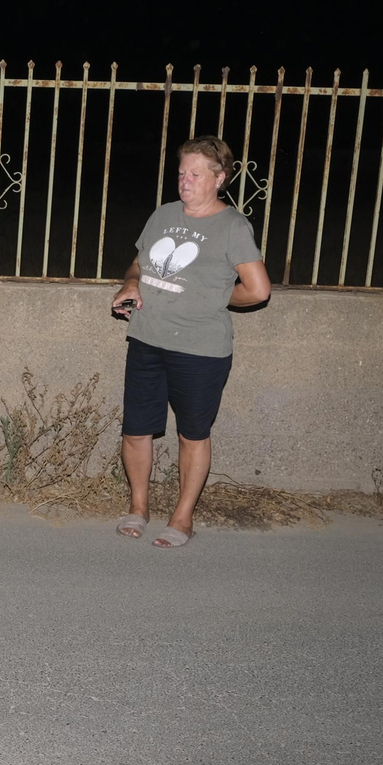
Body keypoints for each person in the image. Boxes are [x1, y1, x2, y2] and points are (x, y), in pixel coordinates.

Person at [110, 137, 270, 548]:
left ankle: (182, 518)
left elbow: (257, 290)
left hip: (200, 350)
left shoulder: (232, 226)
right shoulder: (163, 215)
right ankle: (139, 507)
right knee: (136, 430)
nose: (185, 181)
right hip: (146, 338)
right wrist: (131, 280)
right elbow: (139, 262)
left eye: (196, 174)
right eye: (182, 172)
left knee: (191, 435)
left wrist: (215, 297)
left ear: (220, 178)